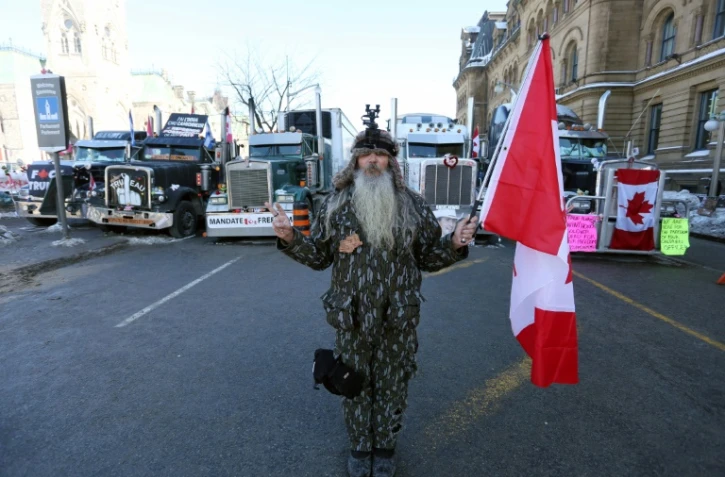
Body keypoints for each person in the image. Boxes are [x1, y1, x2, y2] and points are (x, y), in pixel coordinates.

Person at [266, 129, 478, 477]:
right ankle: (360, 447)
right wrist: (290, 238)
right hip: (351, 316)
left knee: (393, 382)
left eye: (380, 155)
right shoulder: (335, 204)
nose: (373, 161)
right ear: (356, 161)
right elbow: (319, 256)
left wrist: (454, 243)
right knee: (354, 382)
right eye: (366, 155)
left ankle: (385, 448)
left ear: (391, 161)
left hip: (398, 315)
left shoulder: (412, 203)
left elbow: (428, 257)